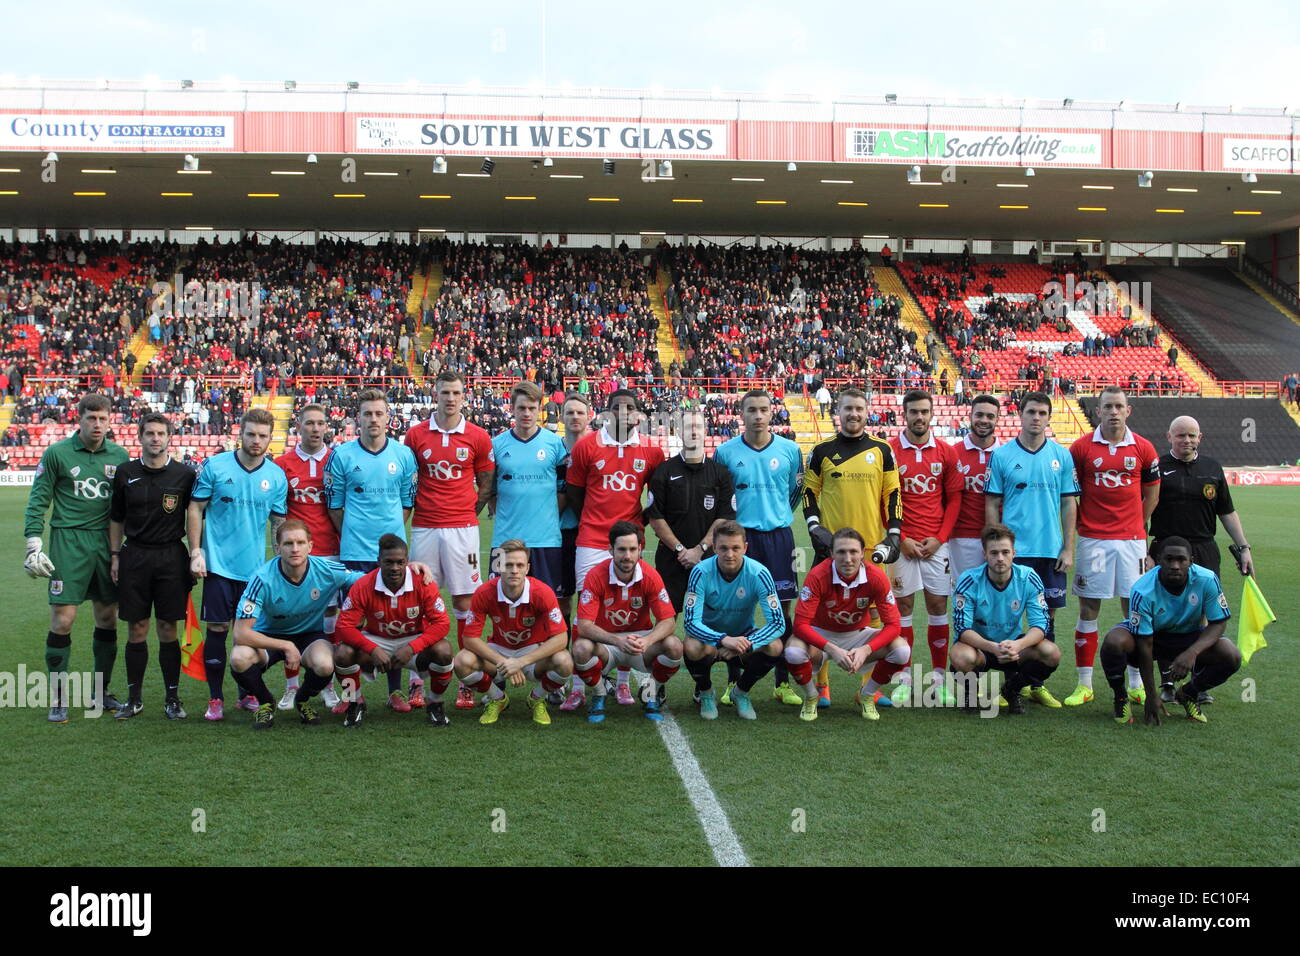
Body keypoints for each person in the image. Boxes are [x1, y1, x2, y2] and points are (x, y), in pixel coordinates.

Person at [24, 392, 129, 722]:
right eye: (91, 418)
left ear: (110, 421)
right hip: (68, 544)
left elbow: (126, 508)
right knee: (63, 620)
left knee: (107, 618)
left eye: (103, 419)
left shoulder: (120, 455)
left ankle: (101, 692)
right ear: (79, 419)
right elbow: (38, 500)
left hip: (106, 544)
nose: (97, 424)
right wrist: (33, 545)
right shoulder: (57, 454)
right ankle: (57, 696)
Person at [563, 389, 665, 706]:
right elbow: (576, 493)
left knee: (630, 611)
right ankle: (581, 686)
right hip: (592, 539)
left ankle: (621, 683)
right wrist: (594, 520)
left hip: (630, 542)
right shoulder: (586, 445)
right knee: (588, 610)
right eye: (617, 407)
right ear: (607, 413)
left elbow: (656, 499)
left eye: (630, 407)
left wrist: (635, 528)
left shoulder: (652, 451)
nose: (624, 412)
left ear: (638, 415)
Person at [802, 386, 902, 707]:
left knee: (873, 619)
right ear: (838, 412)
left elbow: (893, 496)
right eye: (847, 409)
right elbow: (809, 494)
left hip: (870, 548)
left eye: (859, 408)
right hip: (830, 549)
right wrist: (815, 527)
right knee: (821, 617)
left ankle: (867, 687)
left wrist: (895, 533)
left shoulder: (882, 449)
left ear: (867, 410)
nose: (854, 414)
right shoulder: (821, 450)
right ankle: (822, 687)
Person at [187, 407, 289, 721]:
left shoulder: (275, 476)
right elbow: (195, 507)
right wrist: (195, 551)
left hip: (255, 571)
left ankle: (246, 695)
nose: (256, 440)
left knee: (247, 635)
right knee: (217, 629)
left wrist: (280, 562)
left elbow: (278, 522)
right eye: (251, 434)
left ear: (270, 439)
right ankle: (215, 698)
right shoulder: (215, 467)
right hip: (218, 566)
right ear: (239, 434)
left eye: (262, 436)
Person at [404, 370, 495, 710]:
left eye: (456, 393)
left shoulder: (477, 436)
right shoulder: (415, 435)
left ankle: (465, 678)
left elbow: (487, 481)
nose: (451, 398)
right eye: (445, 392)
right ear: (435, 394)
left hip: (462, 529)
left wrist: (470, 508)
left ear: (463, 396)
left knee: (464, 603)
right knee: (420, 602)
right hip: (425, 526)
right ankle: (417, 679)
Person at [1065, 387, 1160, 707]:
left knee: (1133, 610)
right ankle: (1084, 684)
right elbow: (1070, 494)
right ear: (1099, 411)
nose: (1114, 412)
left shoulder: (1144, 448)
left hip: (1132, 542)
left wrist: (1136, 525)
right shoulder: (1081, 448)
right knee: (1088, 609)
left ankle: (1135, 683)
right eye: (1108, 406)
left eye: (1119, 406)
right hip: (1093, 540)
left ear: (1128, 410)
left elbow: (1152, 495)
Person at [984, 391, 1079, 708]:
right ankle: (1013, 682)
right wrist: (992, 544)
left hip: (1050, 553)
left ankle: (1033, 683)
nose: (1036, 418)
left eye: (1042, 412)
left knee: (1045, 620)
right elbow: (992, 502)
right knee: (1009, 618)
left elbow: (1068, 503)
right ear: (1020, 415)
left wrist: (1068, 548)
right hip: (1013, 553)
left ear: (1049, 417)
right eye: (1031, 412)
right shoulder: (1002, 456)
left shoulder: (1061, 456)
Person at [327, 388, 418, 710]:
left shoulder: (403, 455)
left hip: (391, 558)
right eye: (367, 413)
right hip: (353, 554)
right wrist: (354, 533)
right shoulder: (343, 455)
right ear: (358, 418)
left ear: (389, 418)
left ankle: (395, 691)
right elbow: (335, 506)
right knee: (348, 625)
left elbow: (407, 503)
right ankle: (353, 695)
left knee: (393, 624)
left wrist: (390, 539)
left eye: (379, 413)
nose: (373, 419)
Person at [228, 521, 365, 729]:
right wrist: (286, 646)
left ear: (310, 546)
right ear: (277, 548)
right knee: (239, 658)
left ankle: (302, 700)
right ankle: (266, 702)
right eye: (288, 543)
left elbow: (366, 581)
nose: (295, 549)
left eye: (300, 543)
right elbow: (240, 633)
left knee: (325, 664)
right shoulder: (262, 579)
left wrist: (411, 570)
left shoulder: (326, 570)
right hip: (269, 636)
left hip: (309, 636)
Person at [714, 389, 804, 707]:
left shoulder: (791, 450)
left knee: (782, 608)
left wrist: (778, 512)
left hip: (779, 536)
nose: (758, 415)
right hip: (740, 538)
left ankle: (782, 683)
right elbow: (722, 496)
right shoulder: (725, 452)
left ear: (772, 412)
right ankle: (734, 682)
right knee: (738, 609)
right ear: (741, 414)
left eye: (763, 409)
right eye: (751, 410)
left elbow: (797, 491)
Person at [107, 412, 196, 720]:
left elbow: (195, 516)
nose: (155, 438)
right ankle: (134, 699)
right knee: (137, 628)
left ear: (169, 437)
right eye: (150, 433)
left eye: (161, 433)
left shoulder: (184, 474)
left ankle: (172, 698)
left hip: (171, 557)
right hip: (135, 557)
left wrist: (197, 553)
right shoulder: (124, 472)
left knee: (169, 628)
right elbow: (116, 517)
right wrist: (115, 555)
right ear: (140, 437)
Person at [1099, 536, 1239, 726]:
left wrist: (1192, 652)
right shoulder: (1142, 589)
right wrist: (1151, 695)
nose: (1175, 565)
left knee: (1231, 654)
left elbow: (1219, 623)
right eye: (1169, 559)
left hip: (1188, 636)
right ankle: (1121, 698)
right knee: (1114, 641)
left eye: (1181, 560)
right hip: (1152, 638)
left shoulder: (1207, 579)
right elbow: (1145, 644)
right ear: (1158, 561)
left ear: (1191, 561)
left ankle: (1189, 693)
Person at [332, 533, 454, 729]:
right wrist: (372, 649)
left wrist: (412, 647)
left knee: (444, 650)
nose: (395, 568)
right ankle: (354, 703)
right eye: (389, 562)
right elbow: (344, 626)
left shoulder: (423, 582)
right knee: (342, 653)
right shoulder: (363, 585)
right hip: (377, 640)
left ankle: (435, 703)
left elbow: (442, 623)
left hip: (413, 640)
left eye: (400, 562)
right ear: (378, 561)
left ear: (407, 561)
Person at [888, 389, 963, 705]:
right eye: (914, 411)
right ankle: (904, 677)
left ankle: (938, 679)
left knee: (937, 608)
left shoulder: (946, 452)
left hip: (936, 546)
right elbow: (884, 499)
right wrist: (900, 537)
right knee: (903, 609)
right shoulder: (889, 451)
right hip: (902, 544)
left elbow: (955, 499)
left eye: (924, 411)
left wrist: (941, 538)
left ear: (932, 414)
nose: (919, 417)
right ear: (904, 414)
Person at [786, 528, 906, 722]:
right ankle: (811, 695)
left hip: (858, 635)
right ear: (831, 554)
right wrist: (832, 649)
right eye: (841, 552)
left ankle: (866, 694)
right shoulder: (818, 575)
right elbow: (800, 625)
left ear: (862, 553)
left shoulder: (876, 576)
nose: (848, 558)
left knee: (901, 650)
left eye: (853, 552)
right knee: (793, 651)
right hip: (821, 636)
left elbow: (893, 625)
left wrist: (867, 649)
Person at [453, 539, 573, 726]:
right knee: (462, 661)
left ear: (527, 568)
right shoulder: (484, 592)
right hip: (499, 652)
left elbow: (561, 638)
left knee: (564, 661)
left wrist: (521, 661)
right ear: (499, 566)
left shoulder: (542, 592)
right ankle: (498, 698)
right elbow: (469, 638)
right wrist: (503, 662)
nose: (514, 570)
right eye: (508, 565)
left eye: (519, 565)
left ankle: (537, 698)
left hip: (532, 654)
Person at [572, 521, 683, 723]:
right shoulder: (596, 576)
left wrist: (648, 641)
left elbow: (668, 621)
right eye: (622, 549)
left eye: (633, 549)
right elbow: (584, 625)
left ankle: (650, 693)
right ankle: (599, 694)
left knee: (674, 646)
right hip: (607, 644)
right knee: (580, 648)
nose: (628, 556)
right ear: (610, 549)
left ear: (640, 549)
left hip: (640, 642)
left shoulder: (650, 575)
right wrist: (617, 641)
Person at [949, 524, 1061, 715]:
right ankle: (970, 692)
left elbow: (1041, 625)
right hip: (980, 648)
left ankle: (1012, 689)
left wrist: (1019, 645)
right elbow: (962, 628)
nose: (1000, 558)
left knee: (1051, 653)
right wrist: (992, 647)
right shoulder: (969, 580)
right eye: (994, 553)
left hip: (1013, 647)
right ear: (985, 554)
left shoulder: (1028, 577)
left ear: (1013, 553)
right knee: (960, 656)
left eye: (1005, 552)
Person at [274, 403, 342, 711]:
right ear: (298, 426)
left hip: (331, 551)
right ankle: (291, 687)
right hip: (295, 556)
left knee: (330, 620)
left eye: (320, 423)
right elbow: (278, 513)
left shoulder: (337, 459)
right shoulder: (283, 464)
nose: (315, 428)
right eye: (309, 423)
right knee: (295, 618)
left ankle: (326, 684)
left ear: (327, 426)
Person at [681, 521, 786, 721]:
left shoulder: (759, 573)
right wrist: (722, 639)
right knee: (691, 645)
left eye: (736, 548)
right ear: (714, 548)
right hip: (710, 640)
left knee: (774, 646)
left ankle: (741, 692)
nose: (730, 554)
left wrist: (747, 644)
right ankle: (706, 693)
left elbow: (778, 623)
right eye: (724, 548)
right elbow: (690, 623)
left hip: (742, 638)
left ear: (745, 548)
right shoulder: (700, 572)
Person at [643, 406, 736, 614]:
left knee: (711, 620)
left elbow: (725, 517)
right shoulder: (664, 471)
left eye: (698, 427)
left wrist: (699, 550)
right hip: (671, 557)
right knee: (667, 618)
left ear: (706, 431)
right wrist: (681, 551)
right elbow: (656, 517)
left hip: (710, 558)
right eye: (688, 427)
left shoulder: (720, 473)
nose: (693, 432)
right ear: (679, 432)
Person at [488, 381, 570, 613]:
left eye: (532, 408)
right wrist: (505, 514)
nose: (527, 413)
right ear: (512, 408)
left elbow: (563, 490)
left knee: (547, 606)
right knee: (502, 607)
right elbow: (491, 490)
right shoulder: (496, 445)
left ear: (539, 410)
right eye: (521, 408)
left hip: (546, 540)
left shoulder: (556, 444)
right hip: (504, 541)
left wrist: (547, 516)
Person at [554, 392, 594, 709]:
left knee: (594, 605)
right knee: (562, 603)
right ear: (562, 416)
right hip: (561, 534)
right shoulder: (554, 449)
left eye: (580, 412)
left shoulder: (599, 446)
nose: (575, 417)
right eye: (569, 412)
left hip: (593, 536)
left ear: (589, 415)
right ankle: (562, 675)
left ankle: (597, 671)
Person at [949, 395, 1001, 581]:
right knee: (965, 595)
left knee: (997, 598)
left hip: (1000, 538)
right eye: (979, 415)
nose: (984, 420)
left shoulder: (1007, 454)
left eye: (990, 416)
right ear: (970, 416)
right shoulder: (953, 453)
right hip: (962, 537)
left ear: (998, 419)